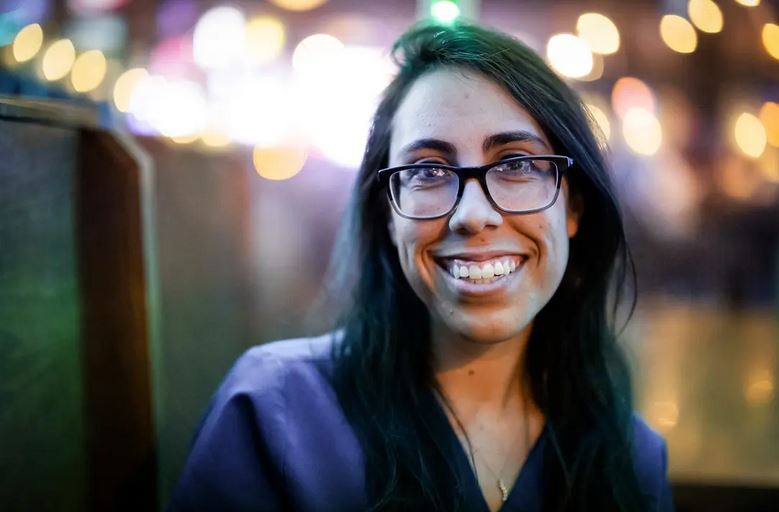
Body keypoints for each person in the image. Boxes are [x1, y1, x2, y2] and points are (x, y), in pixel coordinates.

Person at [169, 22, 673, 512]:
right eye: (428, 171)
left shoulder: (629, 457)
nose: (473, 215)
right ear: (387, 216)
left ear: (575, 207)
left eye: (516, 164)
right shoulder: (275, 410)